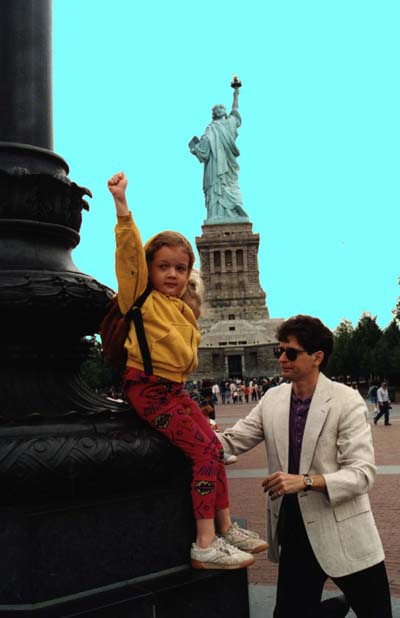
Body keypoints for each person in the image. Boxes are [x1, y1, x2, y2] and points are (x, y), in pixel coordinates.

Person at [108, 171, 267, 571]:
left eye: (181, 268)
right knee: (203, 451)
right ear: (149, 270)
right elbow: (129, 256)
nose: (173, 275)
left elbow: (186, 360)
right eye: (163, 267)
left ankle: (226, 526)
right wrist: (123, 208)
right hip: (147, 388)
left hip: (173, 391)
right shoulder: (140, 298)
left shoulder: (184, 310)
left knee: (215, 447)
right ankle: (205, 542)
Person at [219, 315, 392, 617]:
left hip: (344, 530)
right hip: (295, 531)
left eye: (291, 352)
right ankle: (332, 610)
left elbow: (362, 473)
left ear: (317, 357)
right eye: (279, 350)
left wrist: (306, 481)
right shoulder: (273, 399)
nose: (282, 358)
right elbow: (233, 440)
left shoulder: (346, 400)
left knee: (376, 613)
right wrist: (185, 434)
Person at [188, 85, 249, 223]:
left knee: (229, 185)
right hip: (215, 165)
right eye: (216, 109)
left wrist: (236, 95)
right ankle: (216, 214)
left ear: (224, 112)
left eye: (221, 108)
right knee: (217, 187)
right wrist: (196, 148)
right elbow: (204, 149)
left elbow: (235, 111)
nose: (219, 110)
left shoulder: (229, 123)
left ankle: (235, 209)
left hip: (227, 164)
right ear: (214, 114)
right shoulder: (211, 127)